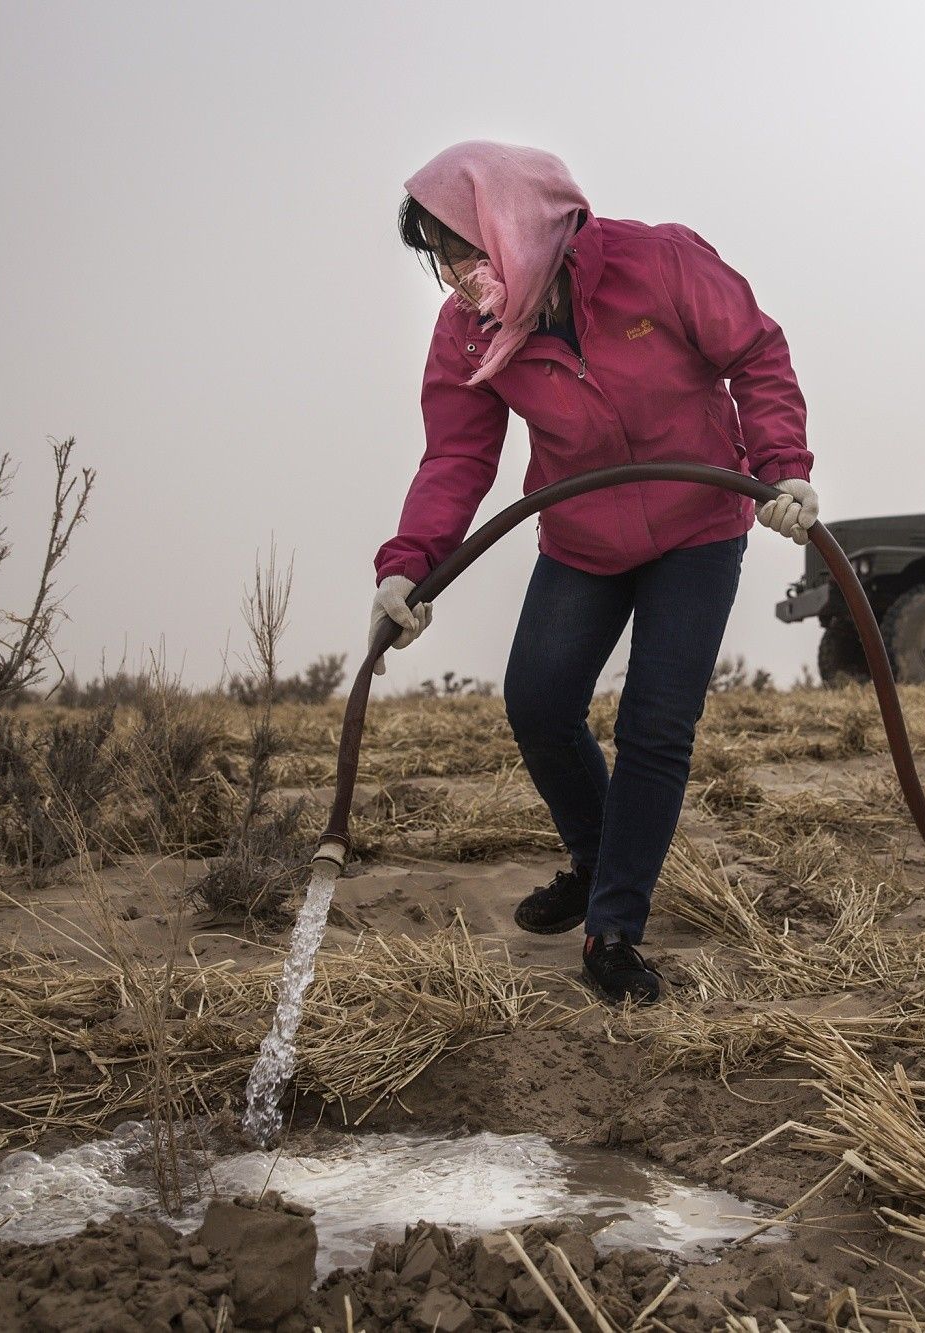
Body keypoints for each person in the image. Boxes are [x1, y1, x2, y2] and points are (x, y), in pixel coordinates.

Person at [369, 141, 817, 1005]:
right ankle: (595, 857)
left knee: (656, 723)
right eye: (442, 260)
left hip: (698, 526)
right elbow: (457, 455)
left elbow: (755, 353)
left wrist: (783, 464)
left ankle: (613, 926)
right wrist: (409, 567)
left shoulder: (656, 262)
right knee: (537, 701)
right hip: (581, 535)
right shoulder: (472, 330)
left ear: (511, 222)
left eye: (462, 248)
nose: (457, 276)